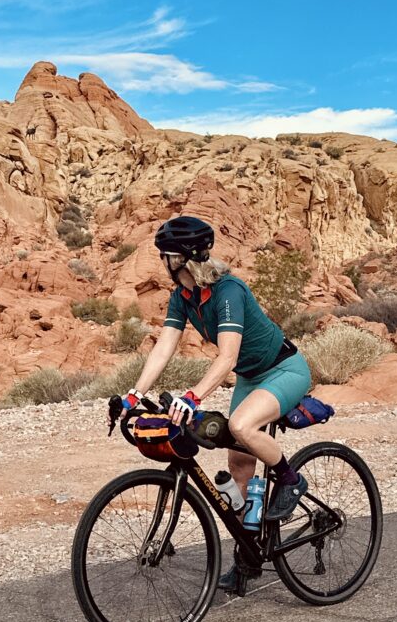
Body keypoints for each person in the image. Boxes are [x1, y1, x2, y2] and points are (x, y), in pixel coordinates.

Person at [121, 215, 312, 590]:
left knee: (241, 426)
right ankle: (248, 560)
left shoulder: (228, 292)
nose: (163, 261)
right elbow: (164, 346)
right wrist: (134, 394)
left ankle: (291, 480)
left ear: (181, 259)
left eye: (167, 255)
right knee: (239, 467)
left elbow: (226, 357)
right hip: (250, 377)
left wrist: (192, 396)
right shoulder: (183, 296)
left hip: (285, 370)